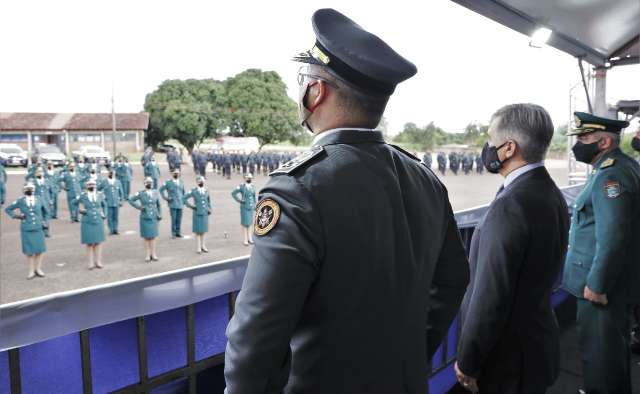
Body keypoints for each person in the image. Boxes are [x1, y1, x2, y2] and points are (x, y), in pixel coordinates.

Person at [224, 9, 469, 393]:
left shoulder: (297, 189)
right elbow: (453, 280)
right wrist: (409, 354)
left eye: (303, 82)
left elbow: (257, 332)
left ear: (316, 92)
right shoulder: (425, 178)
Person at [454, 104, 569, 393]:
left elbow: (490, 296)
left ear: (508, 148)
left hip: (507, 361)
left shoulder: (510, 205)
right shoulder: (549, 191)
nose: (487, 147)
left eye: (491, 140)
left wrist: (469, 359)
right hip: (536, 345)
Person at [561, 111, 640, 394]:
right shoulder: (624, 166)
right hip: (615, 281)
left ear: (604, 142)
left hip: (603, 287)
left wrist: (597, 283)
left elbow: (613, 235)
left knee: (601, 355)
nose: (578, 144)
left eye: (584, 138)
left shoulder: (611, 176)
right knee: (612, 352)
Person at [5, 182, 49, 279]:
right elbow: (8, 209)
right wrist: (17, 216)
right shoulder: (20, 201)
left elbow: (46, 212)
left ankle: (38, 269)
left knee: (40, 250)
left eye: (31, 188)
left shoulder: (39, 199)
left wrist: (45, 222)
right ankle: (31, 271)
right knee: (29, 251)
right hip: (26, 228)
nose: (29, 190)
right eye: (27, 188)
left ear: (34, 189)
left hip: (38, 227)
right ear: (24, 190)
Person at [74, 179, 107, 270]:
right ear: (86, 186)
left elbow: (104, 205)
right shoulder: (83, 195)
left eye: (93, 185)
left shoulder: (100, 195)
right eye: (89, 185)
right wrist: (79, 210)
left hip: (98, 220)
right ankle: (90, 263)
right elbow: (73, 203)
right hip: (87, 221)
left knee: (98, 242)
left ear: (96, 186)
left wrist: (104, 214)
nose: (91, 186)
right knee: (89, 243)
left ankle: (98, 261)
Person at [129, 177, 162, 261]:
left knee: (153, 236)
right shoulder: (141, 193)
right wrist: (139, 207)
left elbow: (158, 205)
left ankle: (153, 254)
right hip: (145, 217)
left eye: (150, 182)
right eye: (147, 182)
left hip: (154, 217)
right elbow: (131, 200)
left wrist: (159, 214)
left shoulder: (155, 192)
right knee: (146, 237)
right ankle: (147, 255)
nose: (149, 184)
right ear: (144, 184)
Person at [183, 175, 211, 253]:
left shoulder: (206, 190)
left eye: (201, 181)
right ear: (196, 182)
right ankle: (198, 247)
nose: (200, 182)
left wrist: (210, 209)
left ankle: (203, 246)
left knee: (204, 230)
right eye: (199, 181)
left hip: (205, 212)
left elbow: (208, 201)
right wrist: (191, 206)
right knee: (198, 231)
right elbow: (184, 198)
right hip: (197, 212)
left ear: (204, 182)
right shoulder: (194, 191)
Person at [231, 173, 256, 246]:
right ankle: (245, 239)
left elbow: (254, 196)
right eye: (248, 178)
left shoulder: (252, 186)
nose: (249, 179)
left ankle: (250, 238)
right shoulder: (241, 186)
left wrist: (255, 204)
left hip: (251, 207)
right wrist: (240, 200)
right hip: (244, 207)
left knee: (250, 223)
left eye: (250, 178)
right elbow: (233, 193)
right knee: (245, 224)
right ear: (245, 178)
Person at [159, 168, 186, 238]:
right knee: (173, 219)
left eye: (177, 173)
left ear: (179, 174)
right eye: (175, 173)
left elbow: (183, 192)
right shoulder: (168, 183)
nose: (176, 174)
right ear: (172, 174)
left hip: (180, 203)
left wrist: (183, 200)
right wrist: (166, 198)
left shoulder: (181, 182)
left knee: (179, 219)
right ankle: (173, 233)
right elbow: (161, 190)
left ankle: (178, 232)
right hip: (173, 204)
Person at [98, 169, 124, 235]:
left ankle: (115, 229)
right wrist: (101, 197)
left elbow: (121, 192)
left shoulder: (118, 182)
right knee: (109, 217)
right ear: (108, 174)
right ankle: (111, 229)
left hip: (116, 202)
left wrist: (121, 201)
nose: (111, 174)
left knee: (116, 217)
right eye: (110, 173)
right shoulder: (104, 182)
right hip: (108, 202)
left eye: (112, 173)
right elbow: (98, 189)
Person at [31, 168, 53, 237]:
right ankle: (39, 231)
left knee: (46, 216)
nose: (40, 173)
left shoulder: (47, 181)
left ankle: (46, 231)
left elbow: (51, 192)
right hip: (37, 202)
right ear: (35, 174)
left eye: (41, 172)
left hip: (46, 201)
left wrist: (51, 200)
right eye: (38, 172)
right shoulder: (33, 182)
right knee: (38, 216)